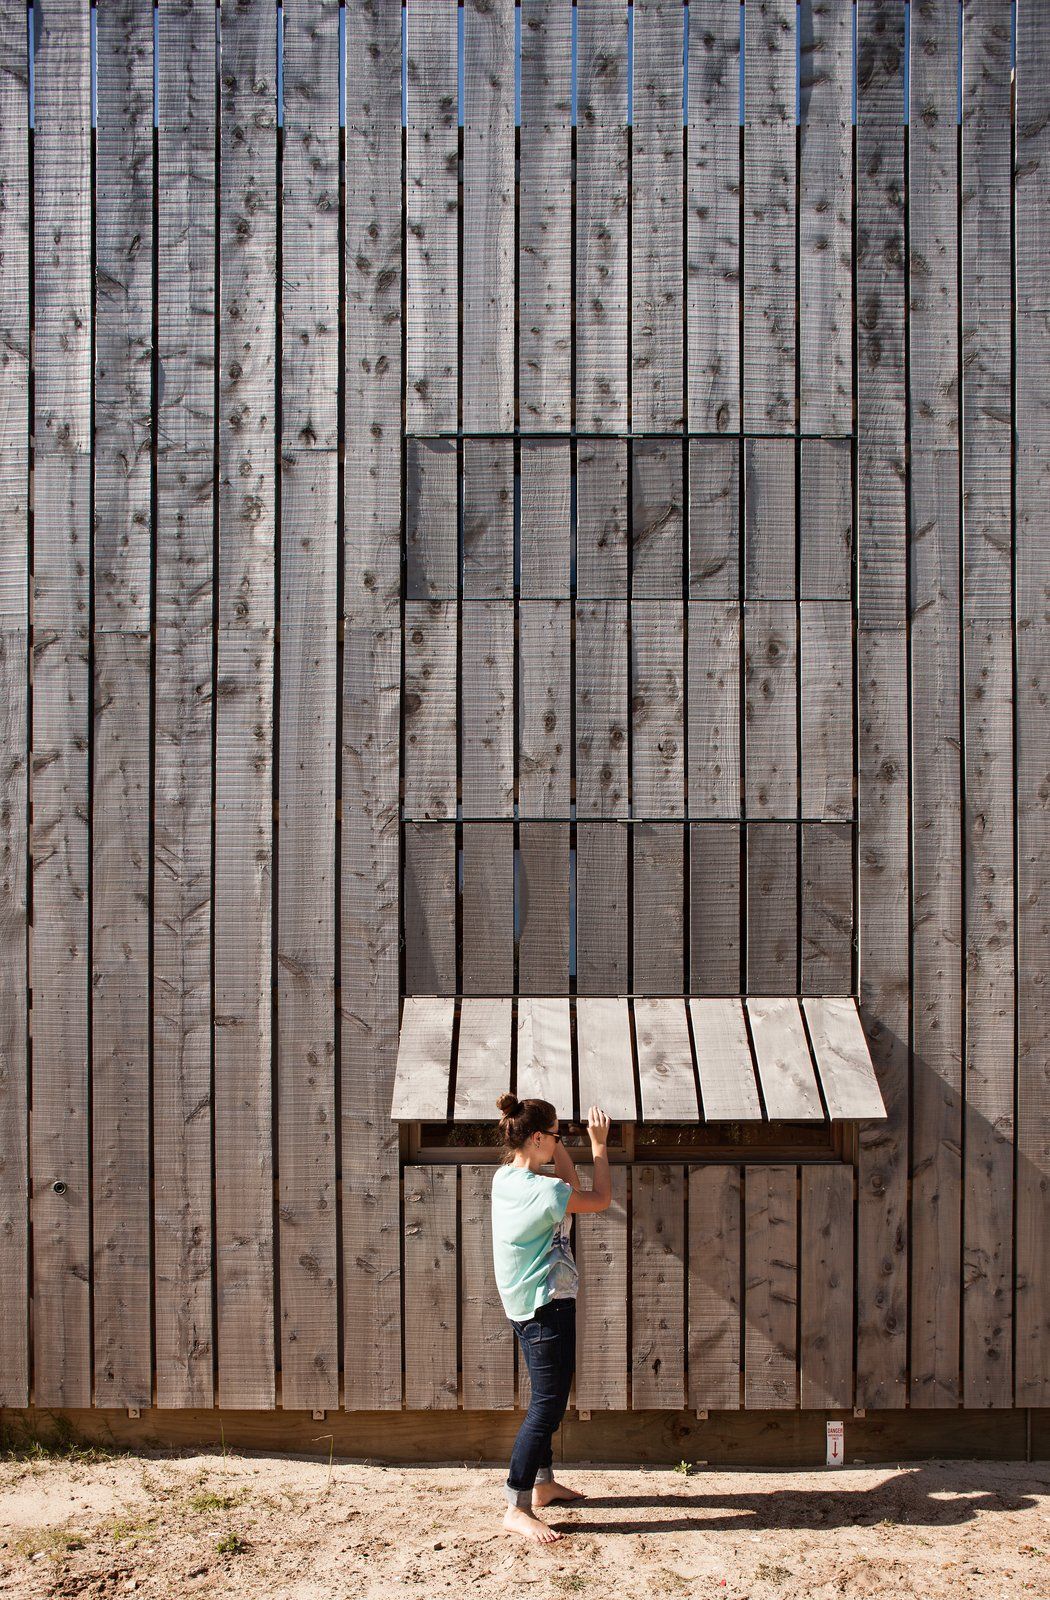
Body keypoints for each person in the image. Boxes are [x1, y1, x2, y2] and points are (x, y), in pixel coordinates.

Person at [490, 1095, 612, 1543]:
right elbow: (597, 1198)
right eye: (555, 1135)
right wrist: (598, 1146)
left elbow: (563, 1182)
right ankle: (516, 1504)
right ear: (537, 1137)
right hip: (547, 1305)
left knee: (549, 1398)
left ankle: (542, 1483)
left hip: (526, 1305)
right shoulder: (544, 1192)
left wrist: (554, 1138)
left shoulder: (505, 1179)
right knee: (547, 1406)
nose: (561, 1141)